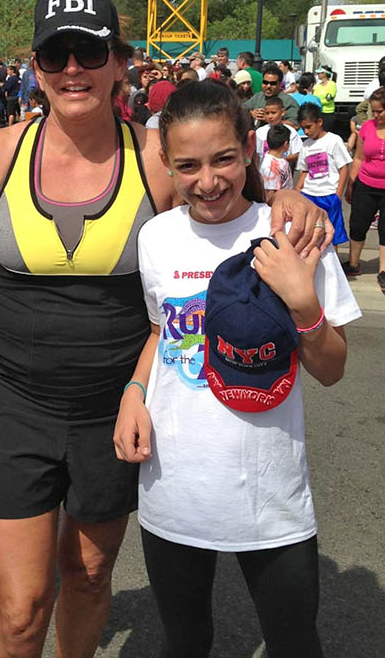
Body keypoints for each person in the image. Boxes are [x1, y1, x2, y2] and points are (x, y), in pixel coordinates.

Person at [0, 0, 332, 658]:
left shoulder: (153, 157)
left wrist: (291, 200)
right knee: (20, 608)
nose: (73, 69)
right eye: (56, 54)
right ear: (36, 65)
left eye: (91, 52)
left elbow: (224, 192)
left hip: (114, 405)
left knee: (88, 575)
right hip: (16, 402)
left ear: (120, 62)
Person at [114, 79, 361, 658]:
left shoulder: (293, 232)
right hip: (174, 486)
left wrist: (303, 304)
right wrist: (133, 392)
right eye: (188, 165)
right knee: (185, 640)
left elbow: (332, 369)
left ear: (249, 147)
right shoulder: (156, 238)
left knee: (294, 643)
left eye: (223, 158)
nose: (208, 181)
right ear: (166, 163)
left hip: (270, 495)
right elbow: (161, 331)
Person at [344, 87, 385, 292]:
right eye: (373, 111)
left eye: (380, 111)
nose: (375, 115)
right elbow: (359, 158)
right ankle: (353, 263)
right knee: (358, 224)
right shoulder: (367, 127)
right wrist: (351, 183)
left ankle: (383, 270)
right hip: (366, 184)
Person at [296, 104, 351, 252]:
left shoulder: (334, 140)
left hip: (329, 195)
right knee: (309, 232)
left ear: (319, 122)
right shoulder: (305, 145)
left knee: (331, 234)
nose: (306, 131)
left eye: (309, 127)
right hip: (309, 195)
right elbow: (305, 170)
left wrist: (338, 194)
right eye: (303, 128)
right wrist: (298, 190)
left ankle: (333, 262)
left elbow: (344, 168)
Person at [255, 96, 303, 168]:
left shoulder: (291, 131)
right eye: (267, 113)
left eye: (273, 113)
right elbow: (257, 154)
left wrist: (280, 160)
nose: (270, 116)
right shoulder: (260, 132)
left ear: (282, 112)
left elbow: (298, 153)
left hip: (283, 170)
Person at [260, 124, 293, 204]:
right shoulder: (271, 166)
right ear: (286, 144)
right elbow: (270, 195)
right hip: (278, 206)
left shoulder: (282, 161)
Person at [313, 66, 337, 132]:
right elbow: (314, 97)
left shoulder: (332, 84)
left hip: (328, 113)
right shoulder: (318, 85)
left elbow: (328, 99)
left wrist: (317, 103)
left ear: (324, 74)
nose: (318, 74)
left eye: (319, 73)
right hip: (318, 112)